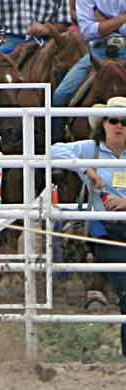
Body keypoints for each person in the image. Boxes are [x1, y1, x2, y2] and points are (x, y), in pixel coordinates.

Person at [51, 96, 126, 356]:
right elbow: (54, 150)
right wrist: (85, 169)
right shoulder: (90, 149)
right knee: (62, 94)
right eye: (113, 120)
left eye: (124, 121)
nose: (119, 126)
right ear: (103, 123)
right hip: (106, 230)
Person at [52, 0, 126, 142]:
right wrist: (121, 19)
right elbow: (87, 31)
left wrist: (104, 23)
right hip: (98, 52)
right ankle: (56, 144)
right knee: (61, 94)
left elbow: (95, 29)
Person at [0, 0, 71, 54]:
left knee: (63, 73)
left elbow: (64, 22)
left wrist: (47, 29)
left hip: (45, 44)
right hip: (9, 41)